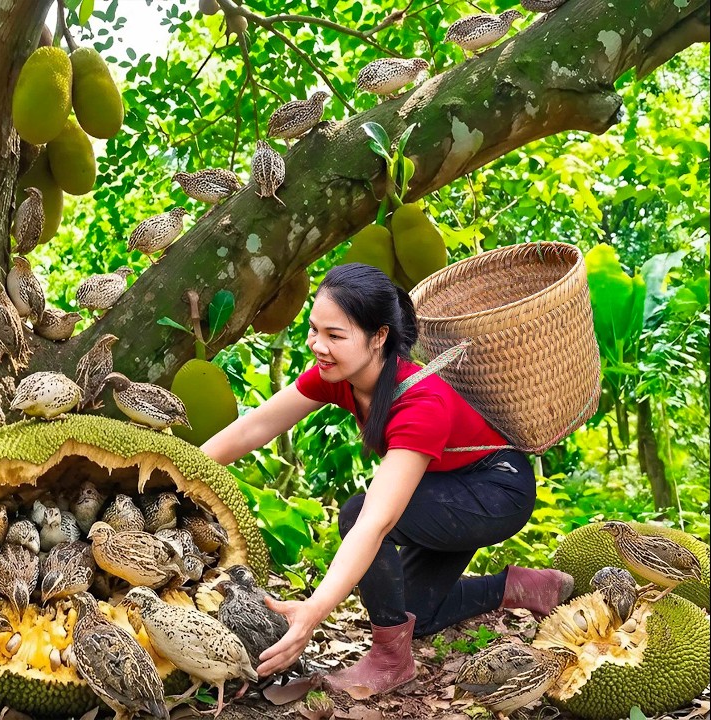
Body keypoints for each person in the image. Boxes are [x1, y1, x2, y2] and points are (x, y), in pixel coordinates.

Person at [200, 263, 574, 695]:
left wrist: (315, 608)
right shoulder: (339, 377)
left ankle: (390, 661)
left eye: (334, 336)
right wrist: (178, 470)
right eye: (313, 329)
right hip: (443, 490)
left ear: (379, 337)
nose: (317, 345)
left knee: (358, 513)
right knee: (413, 613)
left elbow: (377, 521)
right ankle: (525, 587)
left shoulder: (421, 402)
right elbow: (254, 428)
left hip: (495, 492)